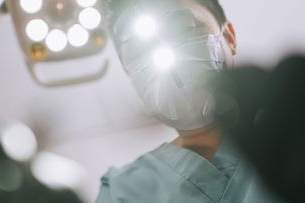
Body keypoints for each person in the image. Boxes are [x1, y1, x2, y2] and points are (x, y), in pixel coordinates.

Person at [96, 0, 284, 202]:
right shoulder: (124, 192)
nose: (161, 53)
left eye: (181, 28)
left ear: (229, 37)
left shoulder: (290, 133)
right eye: (138, 50)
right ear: (130, 75)